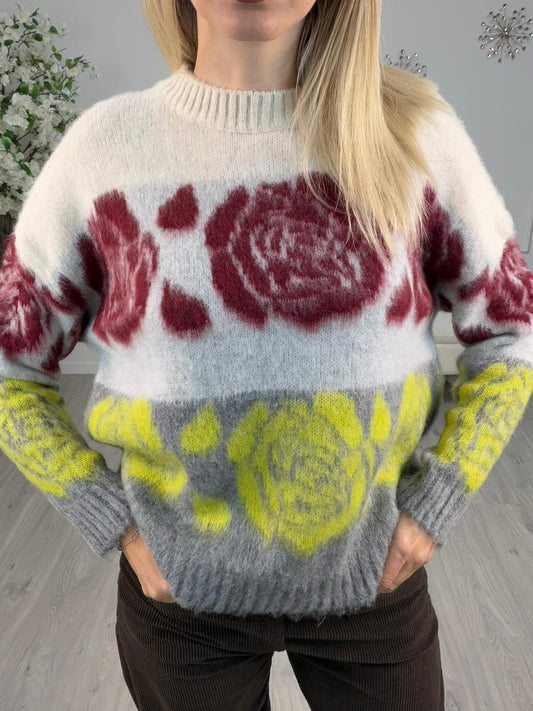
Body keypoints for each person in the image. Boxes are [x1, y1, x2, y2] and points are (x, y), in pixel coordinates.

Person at [1, 0, 532, 709]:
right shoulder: (103, 152)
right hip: (180, 608)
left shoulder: (412, 138)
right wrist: (113, 522)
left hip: (374, 589)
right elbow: (9, 365)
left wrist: (435, 504)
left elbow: (511, 330)